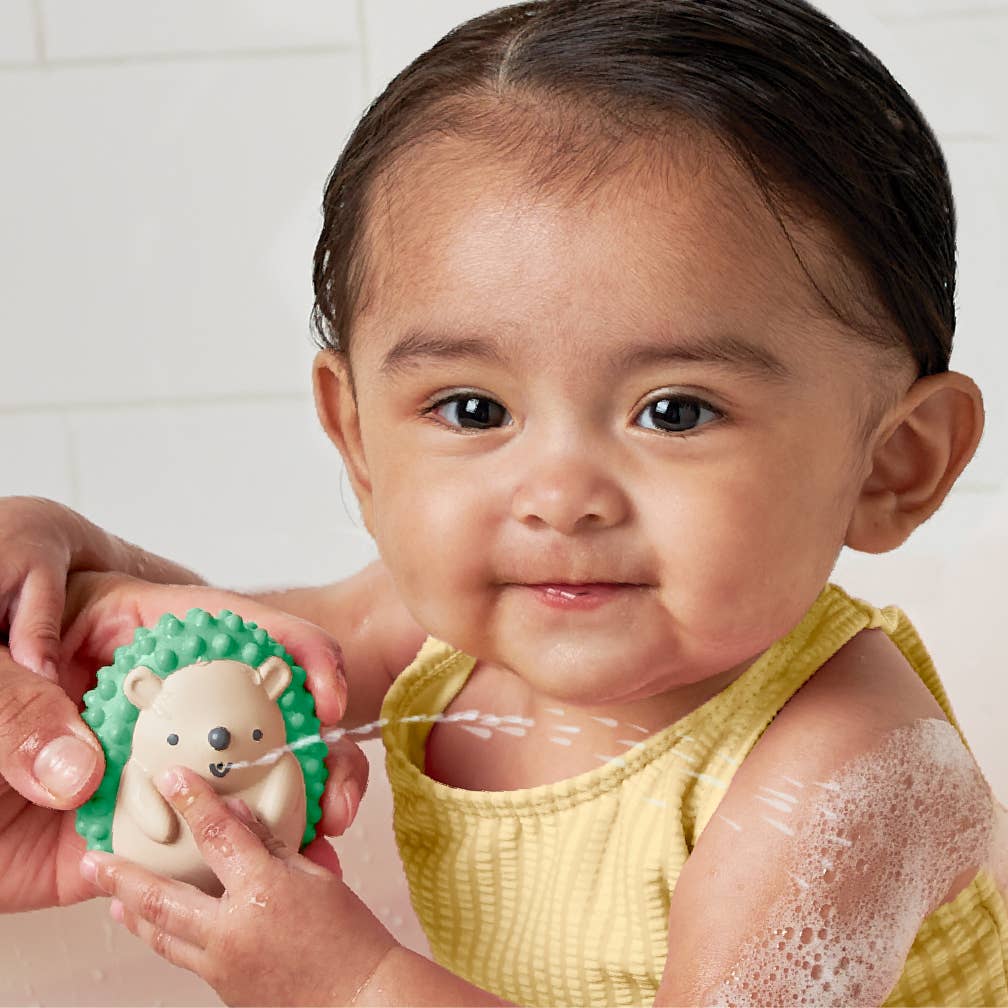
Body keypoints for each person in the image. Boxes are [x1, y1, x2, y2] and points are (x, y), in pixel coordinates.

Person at [1, 0, 1006, 1004]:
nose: (560, 499)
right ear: (357, 435)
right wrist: (82, 604)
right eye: (473, 409)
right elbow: (235, 666)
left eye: (676, 411)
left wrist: (353, 987)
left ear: (892, 465)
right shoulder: (440, 629)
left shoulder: (845, 773)